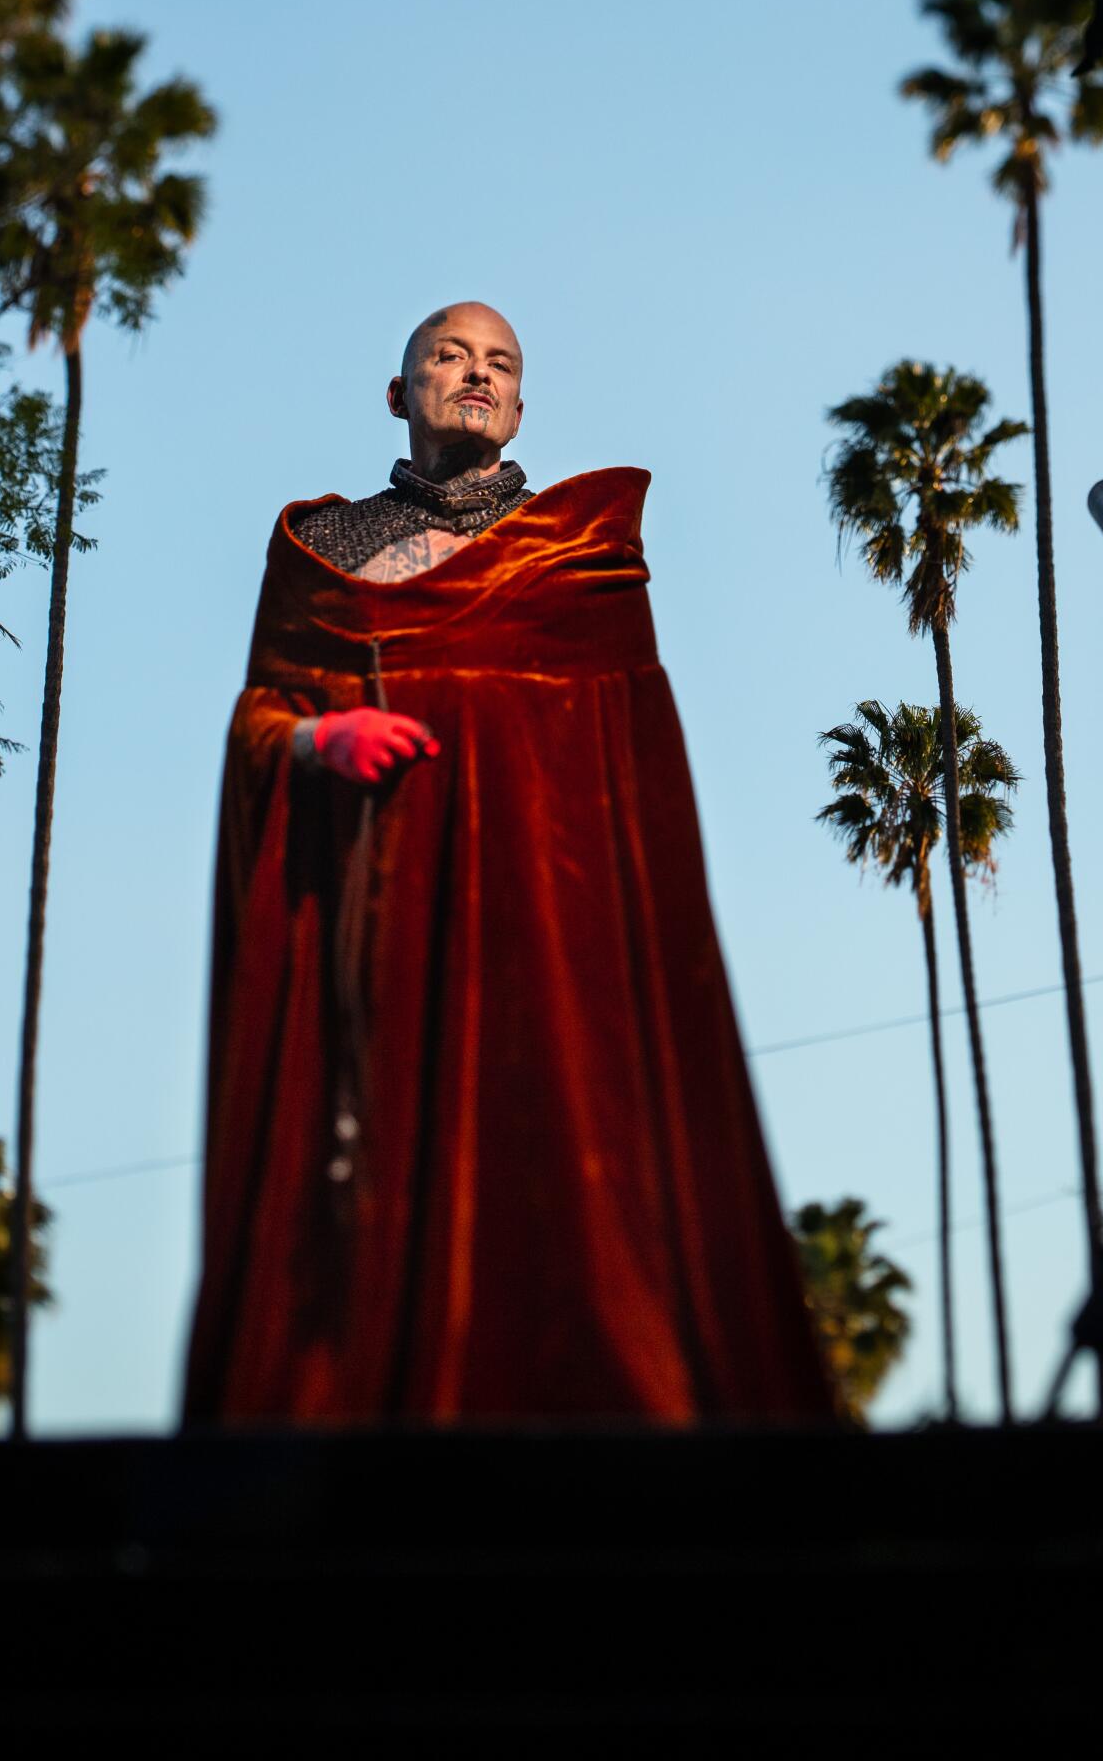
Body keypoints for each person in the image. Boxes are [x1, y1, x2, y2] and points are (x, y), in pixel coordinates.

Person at [182, 301, 835, 1423]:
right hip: (378, 916)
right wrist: (312, 740)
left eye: (498, 363)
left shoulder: (579, 547)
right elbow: (257, 715)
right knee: (373, 1182)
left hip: (545, 919)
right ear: (399, 393)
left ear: (522, 404)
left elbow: (626, 750)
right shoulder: (320, 552)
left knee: (563, 1161)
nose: (473, 373)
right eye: (447, 355)